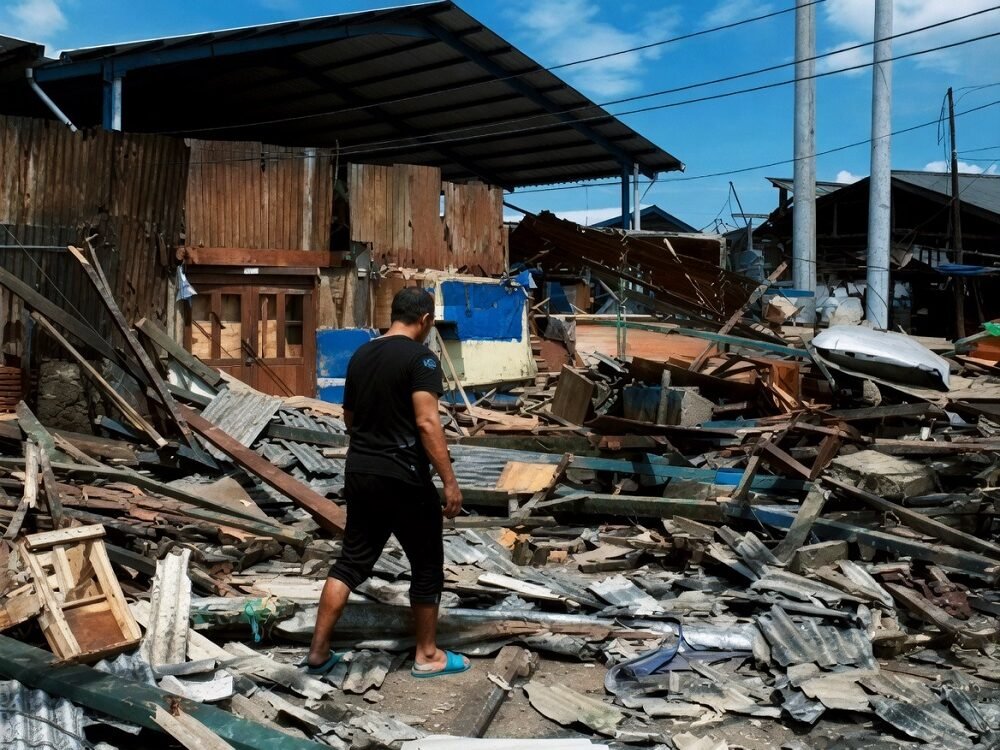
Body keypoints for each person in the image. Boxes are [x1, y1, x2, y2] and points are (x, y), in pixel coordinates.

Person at [305, 287, 469, 678]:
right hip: (404, 476)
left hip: (360, 471)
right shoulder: (421, 359)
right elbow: (427, 422)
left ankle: (318, 652)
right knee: (426, 565)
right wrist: (449, 482)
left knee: (351, 562)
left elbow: (349, 418)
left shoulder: (362, 355)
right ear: (425, 320)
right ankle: (427, 655)